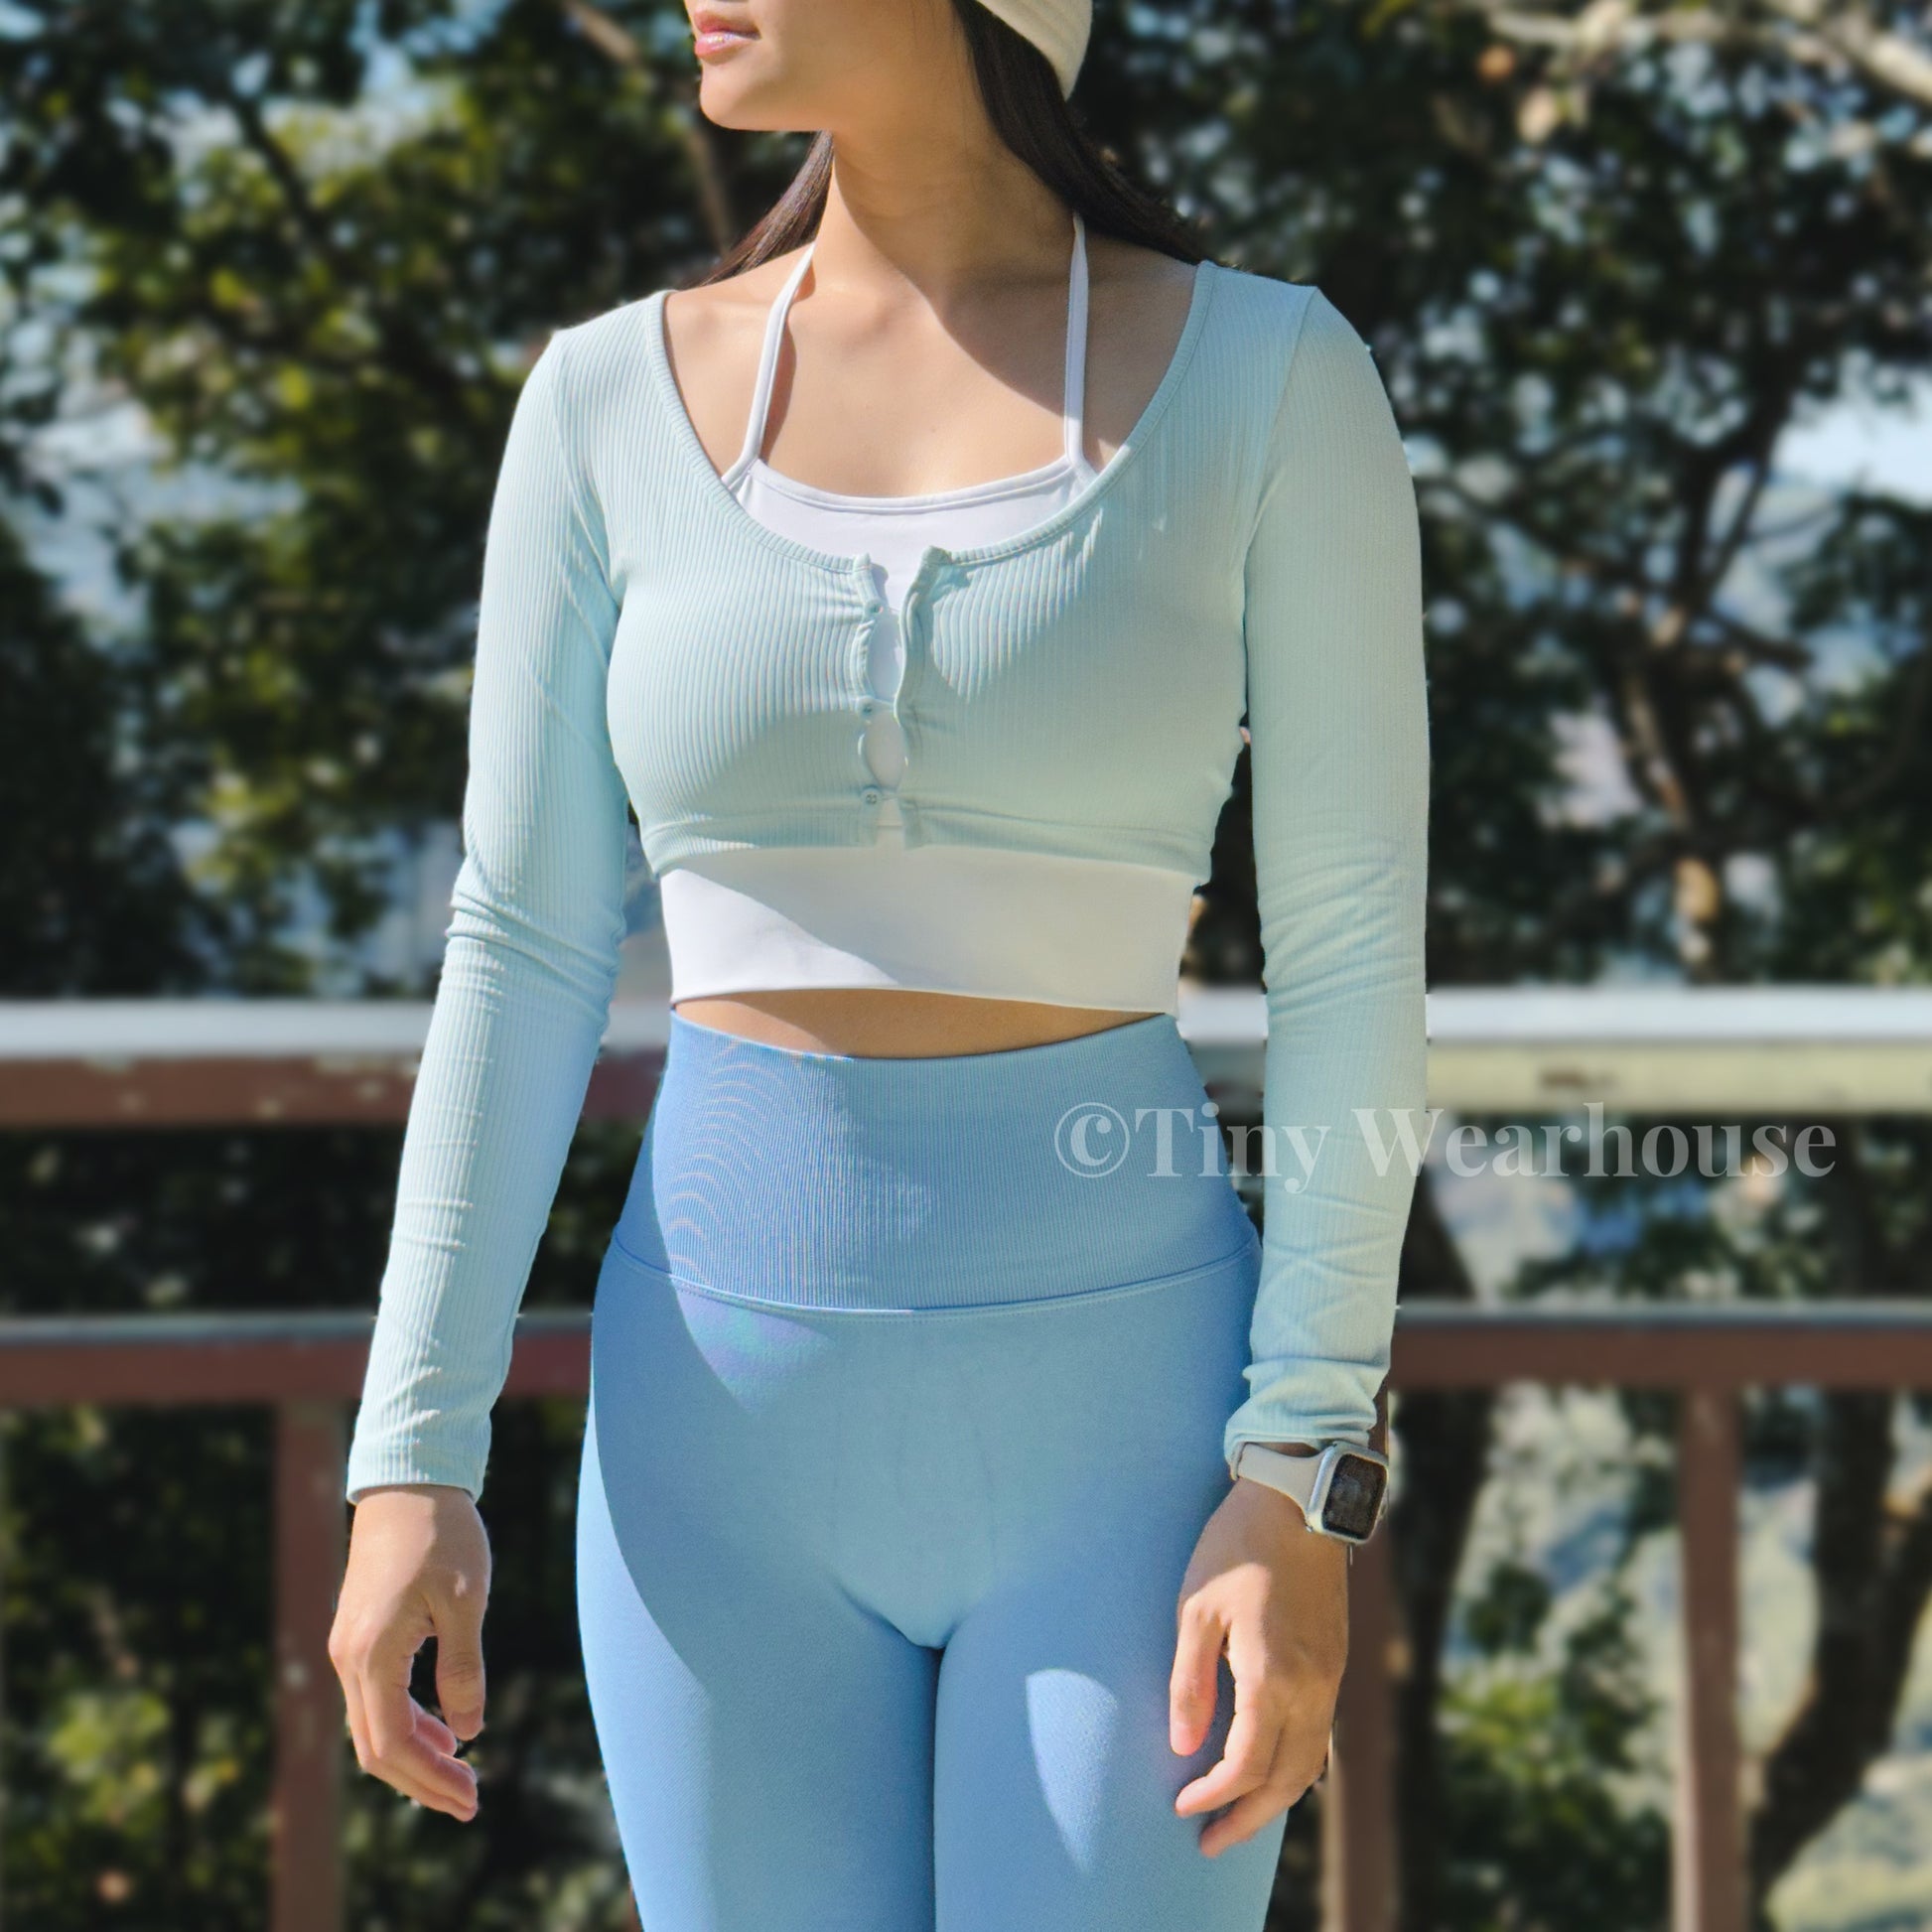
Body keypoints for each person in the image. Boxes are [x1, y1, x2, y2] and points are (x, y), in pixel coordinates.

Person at [328, 0, 1429, 1924]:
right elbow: (518, 948)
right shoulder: (599, 403)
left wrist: (1305, 1465)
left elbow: (1349, 955)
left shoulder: (1270, 378)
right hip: (712, 1452)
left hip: (1140, 1453)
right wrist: (410, 1447)